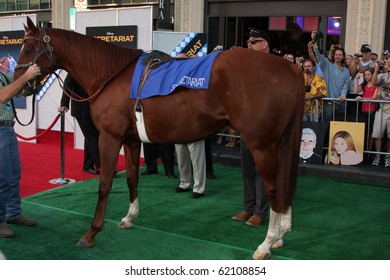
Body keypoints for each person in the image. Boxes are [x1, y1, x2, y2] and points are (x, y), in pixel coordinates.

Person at [231, 28, 270, 227]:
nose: (250, 44)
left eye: (254, 41)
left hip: (265, 126)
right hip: (246, 124)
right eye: (248, 42)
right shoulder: (247, 66)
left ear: (265, 44)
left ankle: (260, 212)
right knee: (247, 168)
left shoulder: (273, 66)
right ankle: (248, 207)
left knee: (262, 168)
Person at [0, 63, 41, 238]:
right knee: (3, 178)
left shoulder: (2, 74)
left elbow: (18, 89)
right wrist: (26, 76)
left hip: (7, 129)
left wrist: (35, 79)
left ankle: (13, 213)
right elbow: (3, 95)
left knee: (14, 175)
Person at [58, 74, 100, 175]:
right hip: (81, 109)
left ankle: (88, 165)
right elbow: (67, 85)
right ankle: (104, 166)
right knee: (92, 137)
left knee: (91, 137)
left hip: (92, 109)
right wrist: (64, 104)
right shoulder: (74, 69)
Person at [310, 33, 350, 138]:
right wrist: (315, 47)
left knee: (338, 130)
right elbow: (319, 57)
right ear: (334, 55)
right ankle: (322, 145)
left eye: (340, 55)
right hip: (328, 102)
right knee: (325, 127)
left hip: (340, 104)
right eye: (336, 54)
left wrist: (343, 95)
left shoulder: (346, 71)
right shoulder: (327, 65)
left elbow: (346, 85)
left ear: (343, 57)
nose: (338, 56)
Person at [354, 66, 379, 154]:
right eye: (365, 75)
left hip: (371, 111)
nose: (366, 76)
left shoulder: (376, 85)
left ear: (373, 75)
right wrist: (357, 79)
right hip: (363, 110)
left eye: (368, 75)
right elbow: (356, 91)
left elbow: (374, 97)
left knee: (370, 131)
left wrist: (362, 98)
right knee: (363, 131)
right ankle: (362, 151)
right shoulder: (364, 85)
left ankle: (368, 151)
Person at [371, 55, 390, 167]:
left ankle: (388, 156)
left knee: (389, 136)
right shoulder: (382, 76)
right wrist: (377, 69)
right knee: (378, 134)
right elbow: (374, 83)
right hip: (381, 109)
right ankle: (378, 155)